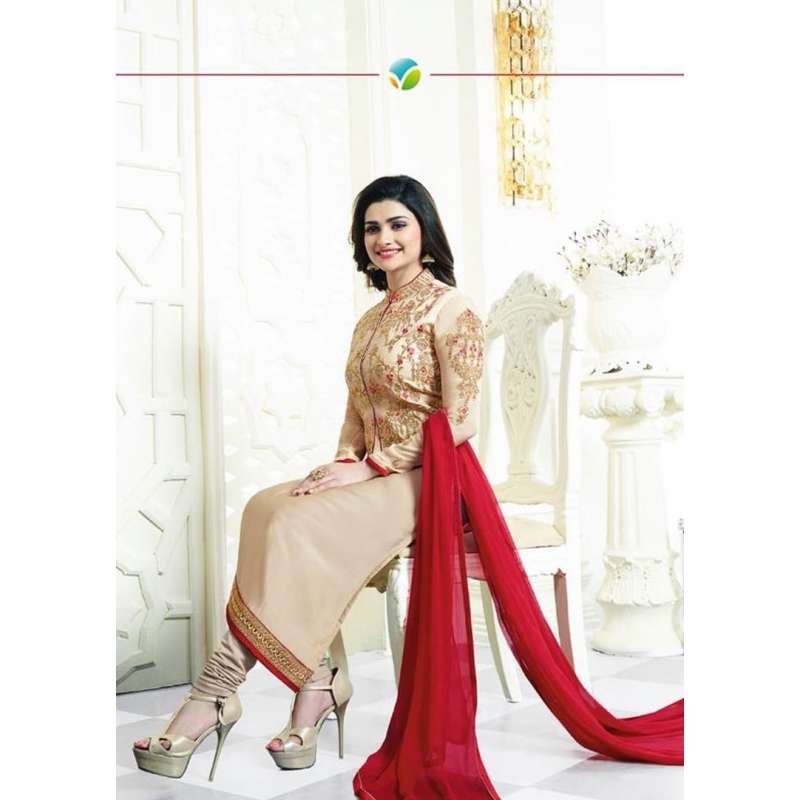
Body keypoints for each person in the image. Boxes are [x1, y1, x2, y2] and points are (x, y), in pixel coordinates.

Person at [132, 174, 486, 778]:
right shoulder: (371, 320)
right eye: (371, 228)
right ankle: (315, 681)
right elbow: (357, 409)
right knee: (265, 507)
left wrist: (372, 467)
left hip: (430, 480)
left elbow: (462, 419)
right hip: (372, 477)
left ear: (424, 231)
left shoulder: (453, 309)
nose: (384, 238)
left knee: (296, 522)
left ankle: (218, 692)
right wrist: (344, 461)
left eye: (397, 224)